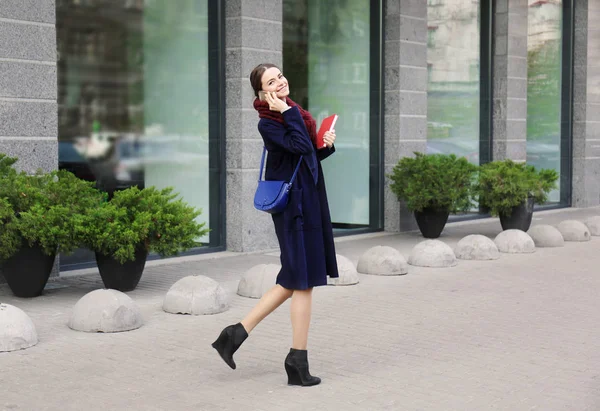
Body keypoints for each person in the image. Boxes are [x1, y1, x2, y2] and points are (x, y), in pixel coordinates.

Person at [211, 63, 339, 387]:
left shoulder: (293, 113)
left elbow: (305, 155)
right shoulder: (269, 122)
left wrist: (324, 144)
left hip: (307, 202)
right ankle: (297, 360)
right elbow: (296, 145)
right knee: (303, 280)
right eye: (272, 81)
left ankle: (235, 335)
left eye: (281, 75)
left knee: (295, 278)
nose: (280, 81)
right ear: (261, 92)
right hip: (293, 209)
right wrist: (286, 112)